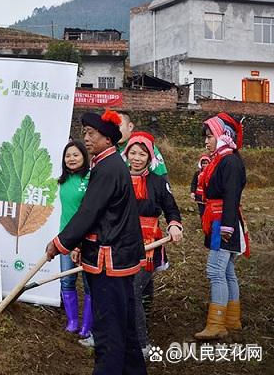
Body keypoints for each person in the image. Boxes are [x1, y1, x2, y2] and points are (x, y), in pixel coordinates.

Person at [46, 110, 146, 375]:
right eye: (85, 134)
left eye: (91, 134)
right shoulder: (106, 164)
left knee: (108, 327)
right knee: (123, 324)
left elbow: (89, 212)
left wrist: (60, 243)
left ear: (107, 139)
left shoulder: (107, 168)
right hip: (115, 255)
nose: (86, 139)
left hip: (109, 259)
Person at [123, 131, 183, 357]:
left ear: (150, 157)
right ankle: (143, 320)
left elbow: (172, 208)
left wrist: (175, 225)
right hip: (123, 242)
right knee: (141, 288)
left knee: (134, 287)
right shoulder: (118, 178)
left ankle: (141, 342)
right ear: (127, 154)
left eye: (142, 154)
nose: (137, 158)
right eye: (133, 153)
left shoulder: (158, 182)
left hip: (149, 244)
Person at [195, 113, 248, 340]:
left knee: (215, 270)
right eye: (205, 137)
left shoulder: (230, 162)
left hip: (223, 223)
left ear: (223, 136)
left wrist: (227, 228)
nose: (206, 142)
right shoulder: (222, 160)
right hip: (219, 221)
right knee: (226, 271)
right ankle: (231, 319)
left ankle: (217, 323)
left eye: (209, 136)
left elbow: (231, 196)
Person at [57, 140, 93, 340]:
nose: (71, 159)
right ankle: (72, 321)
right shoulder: (62, 180)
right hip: (66, 238)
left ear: (84, 157)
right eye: (68, 155)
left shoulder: (90, 178)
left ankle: (87, 325)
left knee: (89, 283)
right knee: (67, 280)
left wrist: (80, 243)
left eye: (76, 155)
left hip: (87, 239)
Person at [117, 111, 168, 177]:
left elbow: (162, 177)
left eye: (118, 126)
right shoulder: (108, 147)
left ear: (130, 126)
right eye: (111, 127)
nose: (114, 130)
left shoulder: (145, 145)